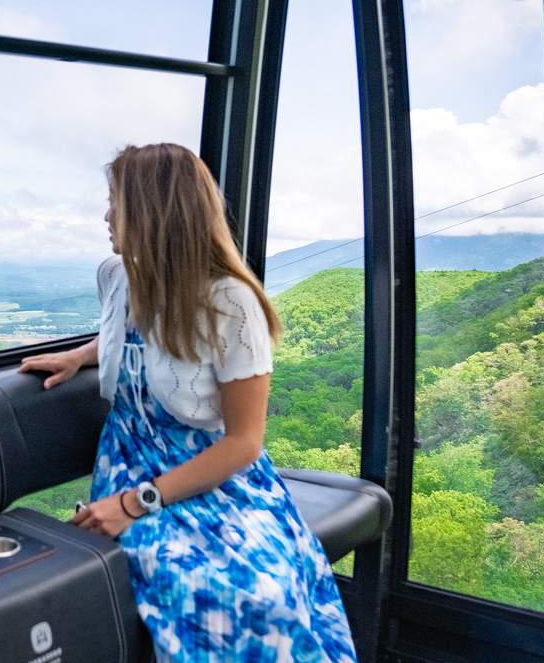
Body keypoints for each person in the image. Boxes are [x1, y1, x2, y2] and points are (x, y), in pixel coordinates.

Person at [20, 143, 357, 663]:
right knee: (184, 581)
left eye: (116, 203)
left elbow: (243, 443)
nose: (106, 216)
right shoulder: (115, 277)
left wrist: (134, 504)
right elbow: (131, 335)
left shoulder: (230, 304)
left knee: (259, 595)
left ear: (154, 213)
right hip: (128, 459)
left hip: (208, 471)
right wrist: (82, 355)